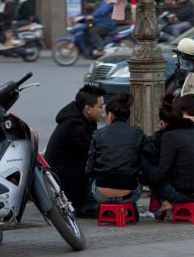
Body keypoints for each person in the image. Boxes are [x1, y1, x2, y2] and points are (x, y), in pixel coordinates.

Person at [141, 92, 194, 218]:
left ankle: (164, 202)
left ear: (163, 123)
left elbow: (161, 175)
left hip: (186, 195)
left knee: (145, 164)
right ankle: (163, 203)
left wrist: (140, 179)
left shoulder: (169, 135)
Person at [44, 83, 105, 216]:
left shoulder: (86, 121)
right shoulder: (73, 126)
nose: (103, 110)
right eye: (100, 106)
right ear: (88, 108)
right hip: (64, 190)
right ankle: (85, 207)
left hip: (76, 178)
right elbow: (96, 155)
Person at [86, 91, 147, 206]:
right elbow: (146, 160)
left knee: (91, 181)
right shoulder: (138, 134)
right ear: (127, 116)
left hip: (101, 195)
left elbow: (90, 170)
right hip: (128, 195)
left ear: (109, 115)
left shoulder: (98, 134)